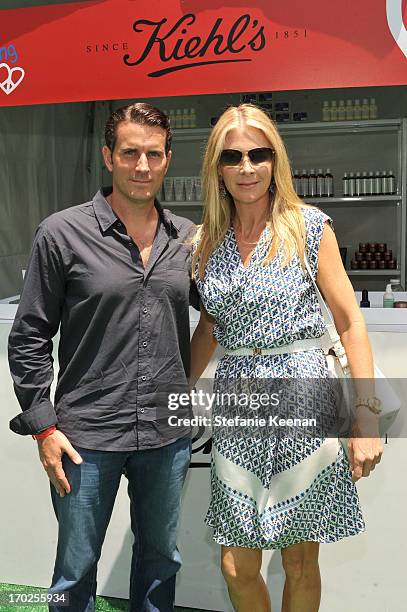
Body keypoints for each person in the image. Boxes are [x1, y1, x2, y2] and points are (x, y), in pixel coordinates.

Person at [190, 103, 383, 612]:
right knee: (237, 565)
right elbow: (211, 324)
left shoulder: (309, 227)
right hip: (238, 405)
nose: (247, 167)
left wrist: (366, 417)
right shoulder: (206, 239)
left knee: (300, 562)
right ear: (217, 167)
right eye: (233, 156)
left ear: (276, 160)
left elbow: (350, 322)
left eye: (259, 154)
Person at [8, 102, 198, 612]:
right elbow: (29, 338)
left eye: (153, 154)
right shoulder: (61, 233)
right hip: (84, 437)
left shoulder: (187, 240)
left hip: (167, 434)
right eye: (131, 152)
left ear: (167, 160)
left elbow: (231, 306)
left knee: (162, 561)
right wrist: (44, 428)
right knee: (74, 575)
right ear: (108, 156)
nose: (142, 165)